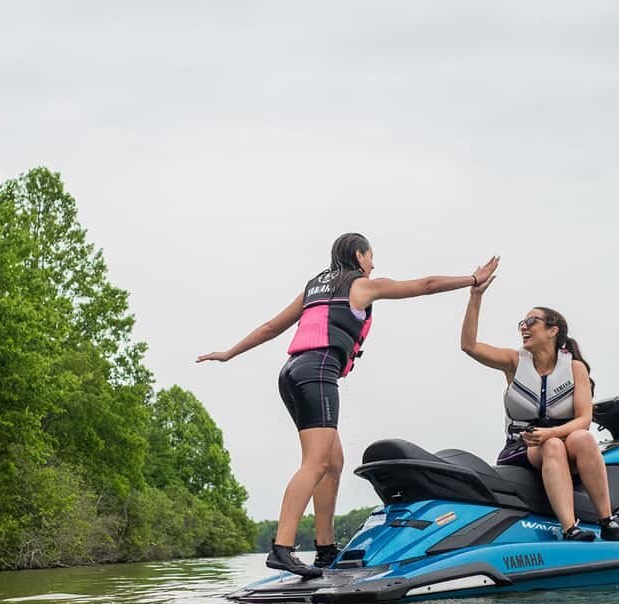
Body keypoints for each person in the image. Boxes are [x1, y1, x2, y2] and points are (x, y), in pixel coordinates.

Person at [198, 232, 499, 577]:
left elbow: (270, 328)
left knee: (333, 462)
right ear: (358, 255)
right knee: (316, 463)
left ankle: (325, 549)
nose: (373, 264)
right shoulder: (359, 286)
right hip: (318, 371)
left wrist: (229, 353)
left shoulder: (314, 288)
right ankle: (282, 548)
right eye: (371, 256)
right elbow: (425, 285)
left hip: (292, 373)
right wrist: (472, 279)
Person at [459, 272, 619, 542]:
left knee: (583, 437)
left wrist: (552, 433)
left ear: (553, 331)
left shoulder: (575, 368)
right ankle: (569, 528)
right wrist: (476, 295)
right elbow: (469, 345)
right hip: (523, 448)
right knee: (553, 446)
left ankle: (607, 522)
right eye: (522, 323)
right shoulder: (513, 362)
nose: (524, 327)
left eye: (532, 321)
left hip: (565, 442)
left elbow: (584, 419)